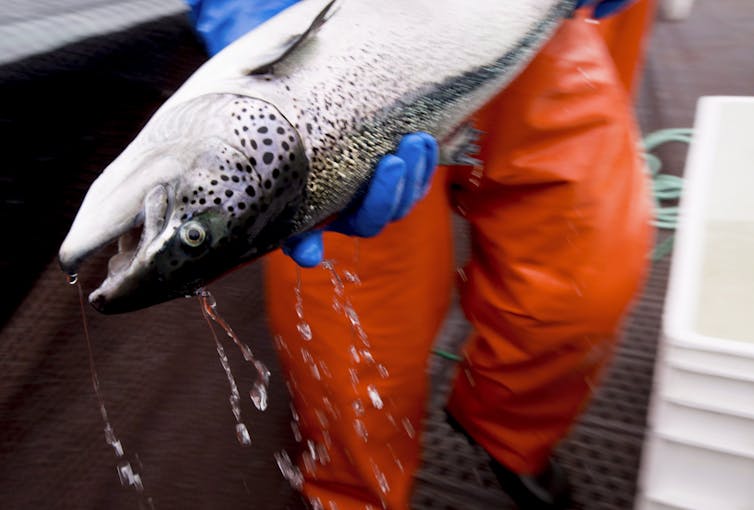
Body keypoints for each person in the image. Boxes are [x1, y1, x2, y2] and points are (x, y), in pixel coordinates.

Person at [187, 1, 654, 509]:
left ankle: (510, 431)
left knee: (588, 280)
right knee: (353, 343)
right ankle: (352, 495)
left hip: (529, 24)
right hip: (338, 55)